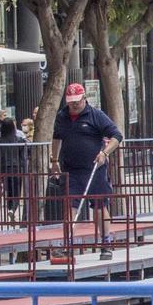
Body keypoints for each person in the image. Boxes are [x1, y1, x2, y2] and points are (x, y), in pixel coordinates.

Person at [51, 82, 121, 255]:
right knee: (71, 205)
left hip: (94, 169)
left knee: (99, 206)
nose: (74, 105)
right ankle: (68, 244)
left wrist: (104, 153)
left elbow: (117, 136)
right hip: (72, 170)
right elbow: (57, 138)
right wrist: (54, 160)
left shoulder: (95, 115)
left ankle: (105, 242)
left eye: (77, 101)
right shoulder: (62, 116)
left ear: (84, 98)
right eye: (71, 101)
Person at [0, 112, 27, 220]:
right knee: (16, 192)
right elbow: (22, 156)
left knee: (9, 191)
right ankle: (12, 209)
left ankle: (10, 209)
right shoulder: (18, 140)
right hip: (16, 168)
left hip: (4, 168)